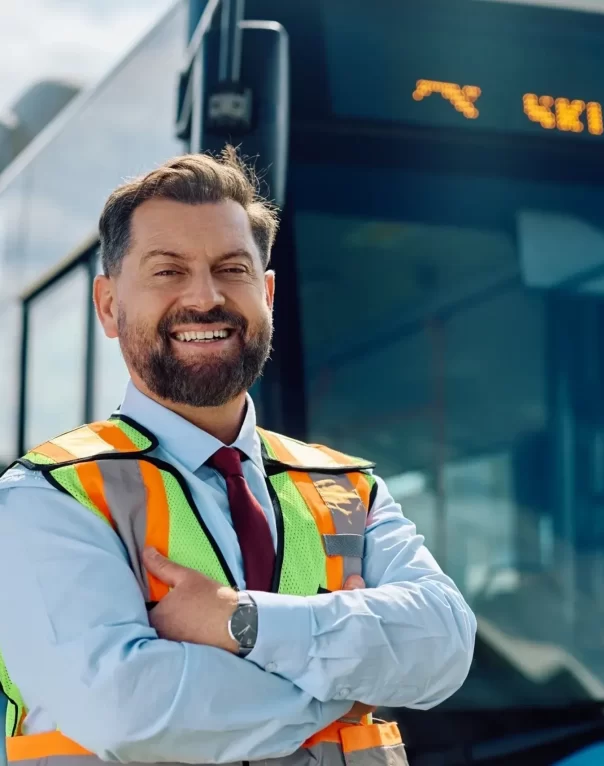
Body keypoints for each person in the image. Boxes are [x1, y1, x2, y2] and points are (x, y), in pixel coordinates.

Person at [0, 148, 476, 766]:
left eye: (232, 269)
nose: (206, 298)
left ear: (267, 294)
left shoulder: (345, 490)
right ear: (109, 306)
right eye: (168, 271)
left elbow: (445, 644)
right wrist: (345, 684)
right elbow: (129, 710)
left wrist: (239, 622)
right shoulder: (46, 497)